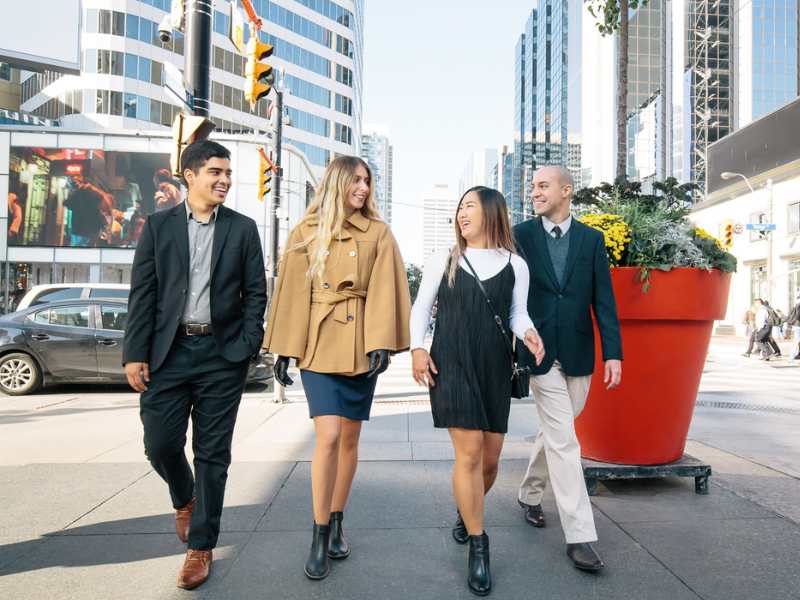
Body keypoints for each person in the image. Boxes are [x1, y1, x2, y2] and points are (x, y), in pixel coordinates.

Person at [123, 140, 267, 590]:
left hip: (222, 356)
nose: (224, 180)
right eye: (215, 172)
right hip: (168, 354)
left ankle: (200, 546)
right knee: (160, 443)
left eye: (227, 173)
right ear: (190, 175)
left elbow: (255, 294)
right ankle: (184, 497)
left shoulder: (242, 229)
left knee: (213, 455)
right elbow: (142, 294)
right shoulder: (159, 226)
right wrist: (134, 352)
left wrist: (247, 345)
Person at [263, 156, 411, 581]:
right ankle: (318, 531)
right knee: (327, 436)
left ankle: (338, 518)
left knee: (349, 439)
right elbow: (292, 294)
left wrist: (380, 341)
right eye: (356, 180)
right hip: (318, 344)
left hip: (362, 345)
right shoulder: (304, 232)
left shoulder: (380, 233)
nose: (363, 188)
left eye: (368, 181)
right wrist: (285, 350)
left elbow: (386, 287)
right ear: (337, 183)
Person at [410, 186, 544, 596]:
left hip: (494, 367)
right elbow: (421, 307)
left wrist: (530, 332)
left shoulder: (515, 265)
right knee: (468, 454)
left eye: (469, 206)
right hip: (451, 363)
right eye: (459, 208)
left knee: (489, 461)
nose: (461, 213)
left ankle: (466, 509)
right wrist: (417, 347)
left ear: (491, 212)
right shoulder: (444, 259)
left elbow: (517, 313)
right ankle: (479, 545)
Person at [513, 165, 622, 572]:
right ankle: (580, 536)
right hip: (539, 355)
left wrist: (614, 352)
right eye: (533, 186)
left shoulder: (592, 241)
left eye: (543, 186)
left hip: (579, 354)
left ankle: (528, 493)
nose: (535, 192)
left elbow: (604, 301)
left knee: (558, 432)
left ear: (566, 190)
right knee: (565, 442)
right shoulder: (520, 236)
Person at [787, 292, 800, 360]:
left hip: (796, 325)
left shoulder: (796, 304)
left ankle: (793, 356)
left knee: (796, 341)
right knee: (796, 341)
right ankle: (791, 356)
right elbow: (797, 315)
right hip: (797, 325)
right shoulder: (798, 305)